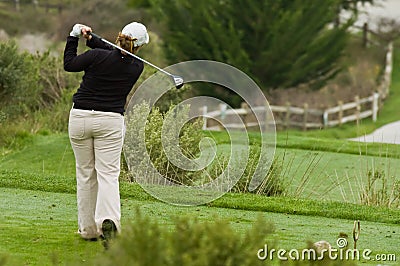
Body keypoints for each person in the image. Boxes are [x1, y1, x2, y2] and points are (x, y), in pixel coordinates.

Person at [63, 22, 149, 246]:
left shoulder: (97, 57)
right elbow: (116, 54)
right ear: (139, 46)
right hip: (110, 122)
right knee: (108, 174)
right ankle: (109, 221)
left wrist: (74, 36)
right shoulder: (137, 66)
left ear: (119, 37)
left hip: (81, 119)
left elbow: (69, 64)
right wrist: (92, 40)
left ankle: (89, 230)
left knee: (85, 174)